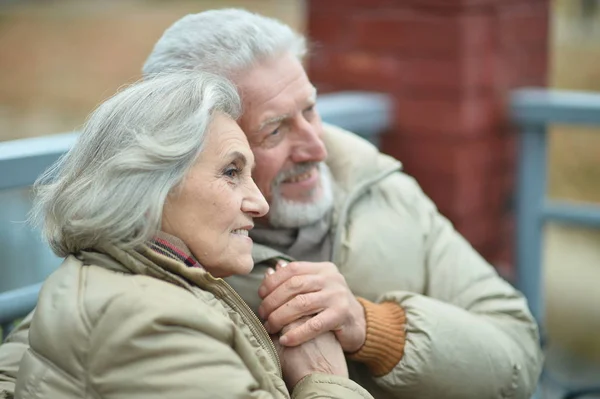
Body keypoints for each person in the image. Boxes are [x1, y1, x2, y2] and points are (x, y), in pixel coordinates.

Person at [0, 8, 543, 399]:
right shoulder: (158, 260)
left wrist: (375, 329)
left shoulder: (375, 184)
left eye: (311, 109)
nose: (316, 147)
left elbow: (519, 354)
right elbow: (42, 358)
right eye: (275, 129)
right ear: (190, 146)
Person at [1, 72, 373, 399]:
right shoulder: (148, 324)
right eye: (231, 172)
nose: (260, 203)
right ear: (150, 185)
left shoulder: (112, 278)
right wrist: (321, 377)